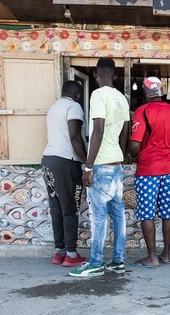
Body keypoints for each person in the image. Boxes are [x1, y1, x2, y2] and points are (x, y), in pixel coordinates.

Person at [69, 57, 130, 278]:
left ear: (96, 75)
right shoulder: (122, 99)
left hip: (101, 164)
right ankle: (118, 261)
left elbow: (97, 131)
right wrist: (121, 156)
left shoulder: (98, 94)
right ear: (114, 75)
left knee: (99, 216)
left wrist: (88, 167)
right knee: (118, 214)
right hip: (116, 165)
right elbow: (125, 134)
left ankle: (95, 262)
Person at [129, 77, 170, 268]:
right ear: (161, 90)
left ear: (144, 91)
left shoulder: (143, 111)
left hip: (148, 169)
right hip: (168, 167)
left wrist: (131, 153)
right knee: (167, 213)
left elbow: (135, 144)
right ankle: (165, 254)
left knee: (147, 214)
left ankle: (151, 257)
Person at [41, 80, 87, 267]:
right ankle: (71, 255)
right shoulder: (74, 106)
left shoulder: (53, 108)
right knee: (70, 210)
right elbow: (74, 136)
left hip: (48, 161)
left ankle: (59, 252)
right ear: (77, 94)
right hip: (65, 162)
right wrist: (88, 162)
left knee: (57, 209)